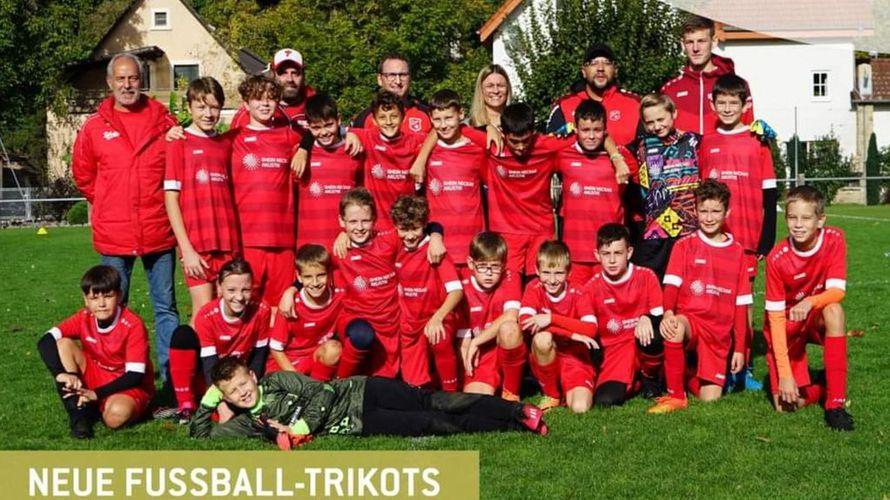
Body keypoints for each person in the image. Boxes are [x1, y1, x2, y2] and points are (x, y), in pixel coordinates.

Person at [71, 53, 179, 377]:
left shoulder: (165, 122)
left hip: (158, 230)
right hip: (114, 235)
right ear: (110, 82)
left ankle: (172, 379)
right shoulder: (94, 127)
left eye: (132, 78)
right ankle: (119, 377)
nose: (127, 85)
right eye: (121, 79)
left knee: (166, 308)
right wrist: (107, 202)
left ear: (141, 80)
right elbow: (84, 175)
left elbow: (177, 173)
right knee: (113, 308)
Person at [189, 356, 548, 444]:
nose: (242, 393)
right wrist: (207, 403)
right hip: (359, 422)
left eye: (242, 383)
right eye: (232, 392)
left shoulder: (276, 380)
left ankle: (518, 410)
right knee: (433, 424)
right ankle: (515, 426)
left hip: (362, 390)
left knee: (435, 401)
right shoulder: (248, 424)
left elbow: (322, 390)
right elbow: (200, 435)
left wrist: (302, 426)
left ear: (252, 377)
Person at [699, 73, 777, 390]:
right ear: (713, 104)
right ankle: (717, 362)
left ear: (745, 105)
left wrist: (767, 238)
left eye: (734, 102)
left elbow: (770, 192)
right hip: (713, 236)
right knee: (715, 300)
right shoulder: (706, 142)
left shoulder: (758, 141)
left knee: (743, 303)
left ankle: (743, 367)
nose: (728, 108)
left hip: (746, 237)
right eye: (722, 102)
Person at [648, 180, 752, 413]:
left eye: (716, 211)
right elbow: (671, 287)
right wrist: (668, 313)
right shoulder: (684, 246)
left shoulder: (737, 252)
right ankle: (676, 396)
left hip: (718, 334)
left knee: (709, 400)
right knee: (674, 327)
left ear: (727, 212)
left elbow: (741, 305)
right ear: (695, 211)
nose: (709, 217)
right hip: (691, 321)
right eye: (703, 211)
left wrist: (739, 349)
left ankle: (685, 373)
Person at [763, 186, 853, 431]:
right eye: (792, 217)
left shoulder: (834, 238)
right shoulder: (776, 258)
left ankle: (835, 405)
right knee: (786, 406)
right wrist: (785, 375)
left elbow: (837, 291)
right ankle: (824, 386)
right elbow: (775, 320)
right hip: (787, 326)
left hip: (813, 315)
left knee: (834, 310)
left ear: (820, 220)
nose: (798, 225)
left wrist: (810, 302)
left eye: (806, 218)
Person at [547, 224, 665, 406]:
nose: (612, 260)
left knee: (655, 333)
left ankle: (652, 377)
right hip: (614, 353)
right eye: (606, 254)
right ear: (597, 255)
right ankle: (637, 383)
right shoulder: (590, 289)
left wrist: (647, 317)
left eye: (618, 253)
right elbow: (587, 328)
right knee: (605, 400)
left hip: (641, 343)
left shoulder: (647, 276)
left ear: (629, 252)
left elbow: (660, 316)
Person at [37, 265, 155, 438]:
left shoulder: (133, 324)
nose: (101, 304)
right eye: (94, 298)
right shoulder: (84, 316)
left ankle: (121, 407)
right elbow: (45, 340)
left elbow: (134, 375)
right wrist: (60, 374)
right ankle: (79, 418)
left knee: (115, 417)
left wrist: (96, 394)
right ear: (86, 299)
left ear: (119, 295)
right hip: (96, 374)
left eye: (108, 296)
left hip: (128, 385)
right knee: (63, 344)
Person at [164, 77, 240, 325]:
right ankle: (192, 354)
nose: (208, 114)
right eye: (201, 107)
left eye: (214, 107)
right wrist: (186, 249)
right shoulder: (179, 143)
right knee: (204, 311)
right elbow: (171, 198)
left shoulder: (225, 143)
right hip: (197, 244)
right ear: (189, 107)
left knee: (227, 311)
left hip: (227, 242)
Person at [166, 258, 271, 423]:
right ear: (219, 288)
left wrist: (249, 389)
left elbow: (259, 357)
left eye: (245, 290)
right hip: (212, 377)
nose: (239, 297)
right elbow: (209, 365)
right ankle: (186, 405)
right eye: (231, 290)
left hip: (240, 377)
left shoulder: (262, 310)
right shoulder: (206, 316)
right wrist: (221, 401)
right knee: (183, 334)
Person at [231, 75, 302, 308]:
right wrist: (175, 133)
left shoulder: (290, 137)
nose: (264, 103)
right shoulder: (233, 139)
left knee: (280, 308)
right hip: (248, 238)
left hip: (282, 239)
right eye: (257, 98)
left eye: (271, 98)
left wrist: (305, 148)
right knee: (247, 306)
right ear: (246, 104)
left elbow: (321, 138)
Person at [555, 99, 636, 284]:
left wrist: (616, 156)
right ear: (576, 129)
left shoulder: (622, 158)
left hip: (610, 254)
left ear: (605, 130)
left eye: (597, 130)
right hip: (575, 252)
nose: (591, 136)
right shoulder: (562, 154)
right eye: (585, 130)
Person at [391, 195, 464, 391]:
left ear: (424, 225)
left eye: (415, 228)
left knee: (439, 337)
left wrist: (438, 317)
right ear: (396, 226)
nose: (409, 236)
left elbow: (456, 291)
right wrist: (343, 235)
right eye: (404, 229)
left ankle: (451, 395)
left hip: (436, 317)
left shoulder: (435, 250)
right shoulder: (394, 246)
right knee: (415, 388)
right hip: (409, 324)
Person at [519, 241, 598, 413]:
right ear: (537, 270)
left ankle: (569, 388)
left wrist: (551, 319)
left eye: (559, 273)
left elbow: (591, 329)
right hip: (546, 355)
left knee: (580, 408)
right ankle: (552, 394)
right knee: (542, 338)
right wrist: (571, 334)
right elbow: (524, 322)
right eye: (546, 273)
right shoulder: (533, 288)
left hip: (575, 359)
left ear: (569, 272)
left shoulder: (579, 291)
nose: (553, 280)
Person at [630, 93, 701, 280]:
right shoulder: (640, 146)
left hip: (688, 229)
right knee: (652, 287)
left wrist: (755, 132)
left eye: (661, 119)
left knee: (687, 285)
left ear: (674, 113)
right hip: (656, 232)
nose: (656, 126)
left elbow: (723, 143)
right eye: (650, 122)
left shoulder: (695, 141)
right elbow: (611, 148)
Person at [424, 89, 487, 277]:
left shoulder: (477, 149)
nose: (443, 125)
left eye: (448, 118)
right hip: (439, 245)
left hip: (473, 244)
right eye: (437, 119)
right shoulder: (426, 151)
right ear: (430, 119)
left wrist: (489, 128)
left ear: (460, 114)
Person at [661, 15, 754, 136]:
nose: (695, 48)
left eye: (701, 41)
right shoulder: (669, 89)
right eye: (690, 42)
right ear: (683, 45)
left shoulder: (736, 85)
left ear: (714, 41)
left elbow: (747, 132)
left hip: (722, 148)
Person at [459, 232, 525, 400]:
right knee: (476, 399)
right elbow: (463, 337)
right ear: (471, 263)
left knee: (510, 328)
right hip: (481, 353)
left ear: (503, 265)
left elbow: (511, 315)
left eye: (495, 266)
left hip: (501, 345)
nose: (489, 273)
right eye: (482, 266)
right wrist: (467, 364)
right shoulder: (462, 283)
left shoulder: (511, 276)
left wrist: (476, 341)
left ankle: (511, 392)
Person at [349, 91, 428, 230]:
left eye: (394, 116)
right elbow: (335, 131)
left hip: (407, 227)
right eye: (382, 117)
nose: (389, 122)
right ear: (374, 120)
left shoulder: (414, 140)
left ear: (403, 117)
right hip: (377, 227)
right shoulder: (367, 138)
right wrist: (350, 134)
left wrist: (421, 160)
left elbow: (436, 133)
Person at [295, 94, 363, 250]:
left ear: (338, 120)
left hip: (347, 243)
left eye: (329, 125)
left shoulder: (354, 150)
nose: (324, 132)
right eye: (316, 128)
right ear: (308, 127)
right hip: (311, 246)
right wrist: (303, 148)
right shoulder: (300, 154)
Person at [267, 244, 343, 381]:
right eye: (308, 277)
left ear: (329, 272)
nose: (315, 283)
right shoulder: (289, 305)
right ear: (299, 277)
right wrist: (297, 379)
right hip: (290, 363)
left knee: (334, 349)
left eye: (321, 275)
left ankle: (318, 388)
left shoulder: (339, 297)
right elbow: (276, 348)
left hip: (317, 356)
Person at [546, 43, 641, 148]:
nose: (600, 68)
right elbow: (550, 149)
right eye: (593, 63)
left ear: (615, 70)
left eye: (607, 63)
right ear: (584, 71)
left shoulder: (635, 104)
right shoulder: (564, 106)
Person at [230, 48, 317, 130]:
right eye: (282, 73)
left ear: (303, 76)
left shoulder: (315, 105)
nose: (289, 79)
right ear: (272, 74)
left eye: (295, 73)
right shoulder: (254, 110)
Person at [353, 54, 432, 134]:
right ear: (380, 79)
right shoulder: (364, 118)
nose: (398, 81)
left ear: (410, 78)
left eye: (403, 75)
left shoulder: (428, 115)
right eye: (391, 75)